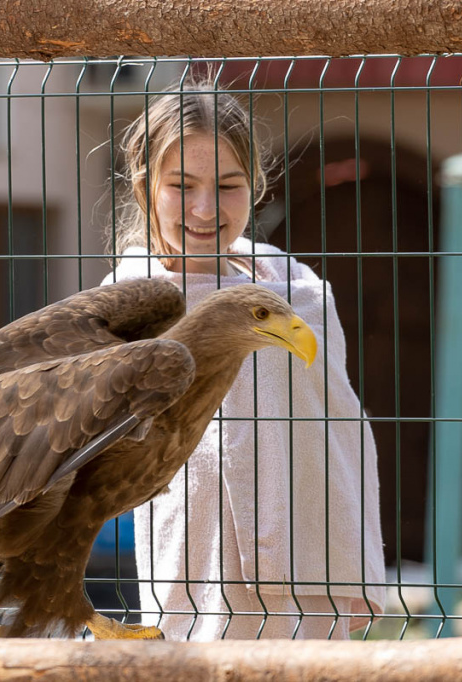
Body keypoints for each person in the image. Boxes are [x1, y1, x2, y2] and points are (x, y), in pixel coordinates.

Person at [101, 80, 384, 641]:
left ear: (255, 187)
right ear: (145, 188)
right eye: (182, 185)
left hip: (308, 570)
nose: (206, 209)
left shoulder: (297, 290)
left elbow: (340, 431)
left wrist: (351, 564)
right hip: (196, 566)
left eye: (229, 186)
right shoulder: (125, 301)